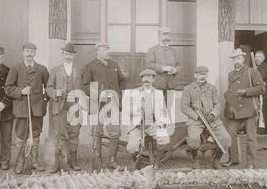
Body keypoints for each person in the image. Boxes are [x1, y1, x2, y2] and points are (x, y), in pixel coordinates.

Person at [4, 42, 50, 173]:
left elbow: (49, 88)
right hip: (21, 109)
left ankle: (35, 162)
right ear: (23, 52)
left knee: (35, 135)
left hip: (37, 110)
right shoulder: (15, 69)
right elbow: (8, 88)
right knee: (20, 135)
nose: (29, 53)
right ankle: (20, 162)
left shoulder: (42, 69)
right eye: (27, 51)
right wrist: (21, 91)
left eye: (32, 51)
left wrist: (43, 102)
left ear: (35, 53)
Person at [82, 42, 126, 170]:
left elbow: (122, 81)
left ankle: (112, 161)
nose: (108, 52)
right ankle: (97, 160)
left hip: (113, 104)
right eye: (105, 49)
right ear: (98, 52)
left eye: (108, 49)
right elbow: (84, 86)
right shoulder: (90, 66)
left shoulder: (114, 65)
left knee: (115, 131)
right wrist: (97, 93)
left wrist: (118, 94)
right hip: (97, 104)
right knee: (97, 131)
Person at [180, 66, 231, 169]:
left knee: (226, 139)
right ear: (195, 75)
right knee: (194, 140)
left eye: (204, 74)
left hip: (212, 120)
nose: (202, 77)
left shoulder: (212, 88)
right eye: (200, 74)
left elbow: (218, 104)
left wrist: (213, 115)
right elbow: (184, 107)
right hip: (196, 120)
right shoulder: (188, 89)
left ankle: (216, 160)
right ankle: (194, 160)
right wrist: (196, 117)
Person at [223, 48, 266, 169]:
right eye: (234, 59)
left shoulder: (252, 72)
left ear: (243, 59)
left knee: (251, 137)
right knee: (230, 133)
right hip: (235, 110)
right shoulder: (231, 74)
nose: (236, 61)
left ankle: (251, 163)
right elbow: (231, 89)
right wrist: (227, 95)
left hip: (250, 109)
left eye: (238, 58)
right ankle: (234, 159)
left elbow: (262, 89)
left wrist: (246, 91)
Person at [46, 42, 84, 173]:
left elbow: (84, 88)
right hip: (60, 106)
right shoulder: (55, 70)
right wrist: (55, 92)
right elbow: (48, 88)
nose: (69, 57)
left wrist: (79, 96)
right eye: (66, 54)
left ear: (74, 56)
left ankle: (73, 161)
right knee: (59, 134)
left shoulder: (79, 70)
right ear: (63, 54)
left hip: (75, 106)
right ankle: (58, 162)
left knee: (74, 133)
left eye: (71, 54)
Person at [125, 68, 174, 168]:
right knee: (132, 148)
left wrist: (165, 125)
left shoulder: (159, 94)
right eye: (144, 78)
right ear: (142, 80)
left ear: (153, 80)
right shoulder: (134, 93)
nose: (146, 80)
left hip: (153, 125)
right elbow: (127, 111)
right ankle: (136, 159)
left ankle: (157, 161)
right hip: (138, 126)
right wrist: (138, 108)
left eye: (149, 78)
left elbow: (164, 111)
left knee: (165, 139)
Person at [146, 27, 180, 99]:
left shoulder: (173, 50)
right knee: (158, 107)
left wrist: (174, 70)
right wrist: (163, 68)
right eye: (164, 35)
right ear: (159, 36)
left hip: (171, 84)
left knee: (170, 108)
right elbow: (149, 65)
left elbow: (179, 65)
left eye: (168, 35)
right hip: (158, 84)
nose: (166, 37)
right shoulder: (152, 50)